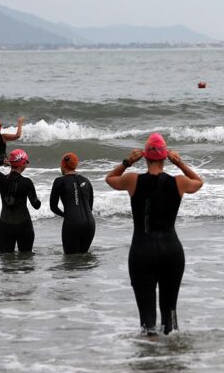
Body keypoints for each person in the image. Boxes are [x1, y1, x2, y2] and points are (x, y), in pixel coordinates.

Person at [105, 133, 203, 336]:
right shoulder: (179, 182)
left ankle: (149, 360)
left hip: (142, 252)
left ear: (145, 156)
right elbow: (199, 182)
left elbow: (110, 179)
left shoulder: (132, 180)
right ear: (166, 157)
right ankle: (172, 356)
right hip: (171, 252)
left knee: (147, 320)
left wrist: (127, 162)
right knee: (171, 313)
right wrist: (180, 164)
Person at [0, 148, 41, 253]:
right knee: (26, 260)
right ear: (21, 164)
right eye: (26, 162)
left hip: (5, 226)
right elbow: (36, 205)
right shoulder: (27, 182)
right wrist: (38, 201)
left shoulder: (1, 179)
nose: (27, 164)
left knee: (7, 263)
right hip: (24, 226)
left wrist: (2, 162)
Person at [49, 152, 95, 254]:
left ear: (63, 165)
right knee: (83, 259)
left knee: (71, 261)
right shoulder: (87, 181)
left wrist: (66, 215)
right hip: (90, 224)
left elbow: (53, 207)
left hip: (73, 224)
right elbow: (90, 207)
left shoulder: (59, 181)